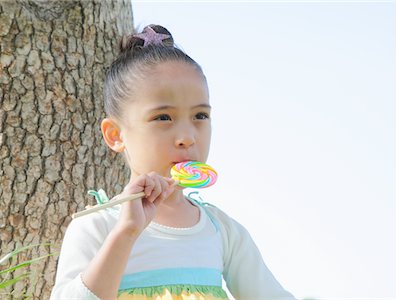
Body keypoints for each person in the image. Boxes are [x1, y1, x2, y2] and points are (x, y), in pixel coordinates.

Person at [51, 24, 296, 300]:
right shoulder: (98, 226)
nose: (187, 137)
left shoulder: (221, 231)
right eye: (163, 118)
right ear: (115, 135)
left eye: (200, 116)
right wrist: (127, 232)